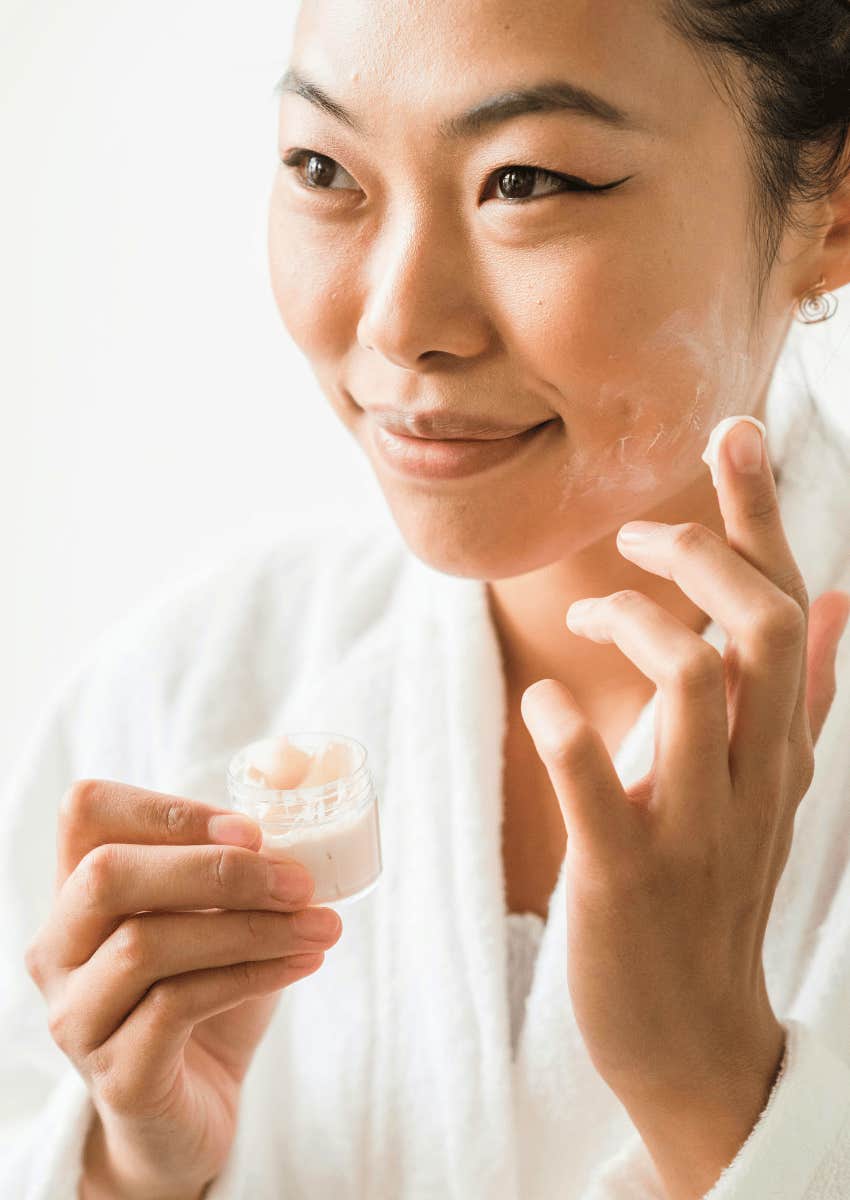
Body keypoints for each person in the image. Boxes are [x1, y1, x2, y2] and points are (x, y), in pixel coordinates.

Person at [3, 1, 850, 1197]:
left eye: (526, 180)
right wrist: (133, 1167)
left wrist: (710, 1084)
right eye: (320, 168)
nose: (399, 323)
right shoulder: (196, 683)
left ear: (829, 205)